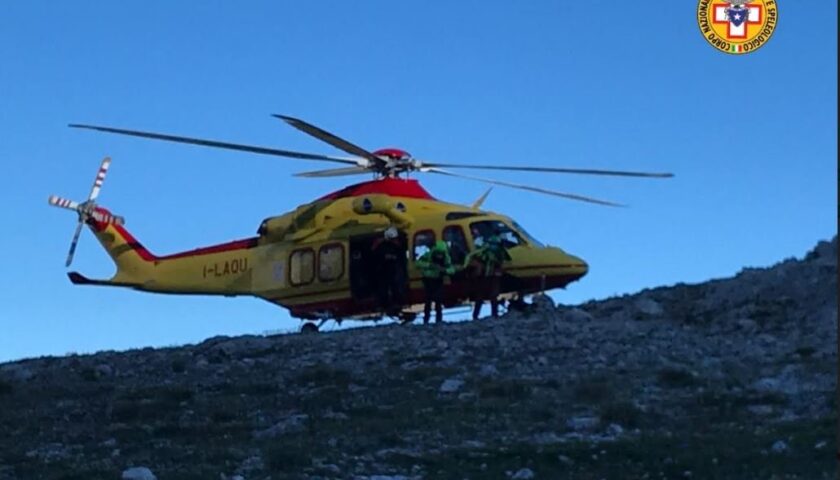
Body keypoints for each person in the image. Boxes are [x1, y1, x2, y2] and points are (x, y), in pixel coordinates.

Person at [465, 231, 511, 320]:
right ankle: (478, 316)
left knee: (491, 296)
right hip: (484, 277)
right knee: (483, 297)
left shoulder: (498, 253)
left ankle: (491, 314)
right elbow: (473, 259)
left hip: (492, 277)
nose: (493, 247)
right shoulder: (485, 252)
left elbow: (504, 261)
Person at [416, 240, 455, 324]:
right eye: (438, 253)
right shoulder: (427, 256)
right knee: (427, 302)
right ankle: (426, 320)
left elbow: (452, 269)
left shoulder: (446, 258)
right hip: (427, 280)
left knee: (438, 301)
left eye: (441, 254)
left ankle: (439, 320)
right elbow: (418, 263)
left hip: (438, 280)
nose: (439, 256)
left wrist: (444, 270)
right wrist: (430, 265)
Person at [371, 227, 405, 314]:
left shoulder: (394, 248)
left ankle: (395, 304)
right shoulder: (382, 248)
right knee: (384, 289)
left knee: (394, 288)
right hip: (384, 273)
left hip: (391, 272)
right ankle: (384, 305)